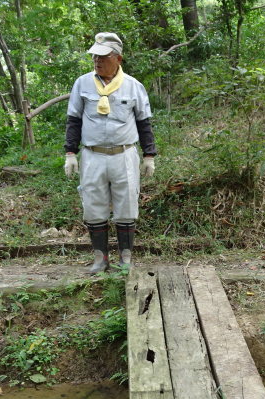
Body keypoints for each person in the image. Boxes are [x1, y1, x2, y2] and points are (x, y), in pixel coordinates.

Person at [64, 32, 157, 273]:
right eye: (95, 56)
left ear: (118, 58)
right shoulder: (82, 83)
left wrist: (149, 156)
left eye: (103, 56)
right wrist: (70, 153)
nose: (97, 60)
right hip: (93, 154)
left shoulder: (134, 86)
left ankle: (125, 258)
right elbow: (73, 120)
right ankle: (100, 258)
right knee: (93, 205)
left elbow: (144, 123)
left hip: (124, 154)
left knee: (126, 204)